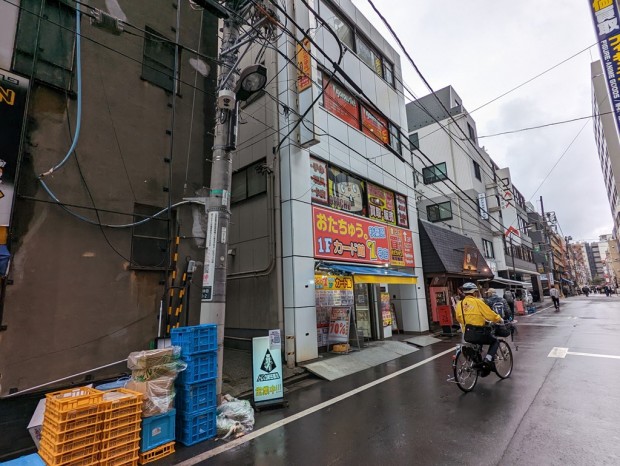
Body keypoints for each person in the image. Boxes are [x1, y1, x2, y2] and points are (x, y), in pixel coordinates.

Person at [455, 282, 504, 377]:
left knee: (475, 348)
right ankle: (488, 359)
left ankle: (478, 366)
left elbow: (458, 318)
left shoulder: (459, 304)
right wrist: (499, 319)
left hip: (467, 334)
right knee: (495, 341)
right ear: (474, 292)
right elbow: (489, 314)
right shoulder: (478, 302)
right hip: (479, 332)